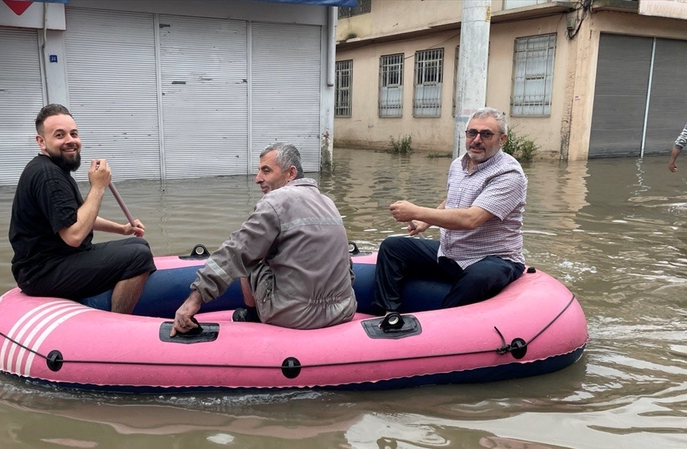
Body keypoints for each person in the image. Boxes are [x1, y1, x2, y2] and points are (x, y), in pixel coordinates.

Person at [172, 142, 357, 335]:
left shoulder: (274, 202)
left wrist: (194, 299)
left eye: (266, 171)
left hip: (295, 316)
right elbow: (347, 265)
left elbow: (237, 251)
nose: (257, 179)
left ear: (291, 173)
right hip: (343, 310)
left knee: (251, 255)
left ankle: (252, 316)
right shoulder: (327, 202)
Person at [372, 107, 527, 324]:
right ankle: (387, 315)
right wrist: (425, 221)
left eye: (486, 134)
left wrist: (417, 211)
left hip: (492, 258)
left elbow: (471, 218)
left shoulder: (508, 175)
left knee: (480, 277)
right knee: (392, 247)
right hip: (451, 252)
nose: (477, 139)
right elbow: (454, 200)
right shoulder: (458, 165)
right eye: (472, 133)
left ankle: (440, 327)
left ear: (502, 139)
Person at [9, 103, 156, 314]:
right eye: (59, 135)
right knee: (138, 256)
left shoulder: (54, 169)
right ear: (41, 142)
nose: (70, 140)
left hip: (56, 262)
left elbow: (75, 217)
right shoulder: (48, 176)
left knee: (138, 244)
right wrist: (98, 187)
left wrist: (122, 229)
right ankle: (117, 324)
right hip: (43, 271)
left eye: (74, 134)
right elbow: (74, 236)